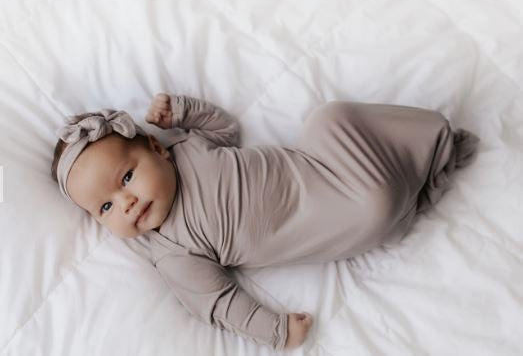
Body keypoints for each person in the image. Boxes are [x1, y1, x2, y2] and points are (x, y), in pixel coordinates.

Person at [51, 93, 480, 351]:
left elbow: (225, 130)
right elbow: (219, 304)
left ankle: (430, 155)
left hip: (324, 165)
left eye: (127, 178)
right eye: (105, 208)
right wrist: (275, 331)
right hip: (354, 216)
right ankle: (432, 154)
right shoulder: (172, 251)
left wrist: (183, 111)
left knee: (330, 118)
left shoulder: (187, 150)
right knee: (371, 191)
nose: (126, 203)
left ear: (155, 149)